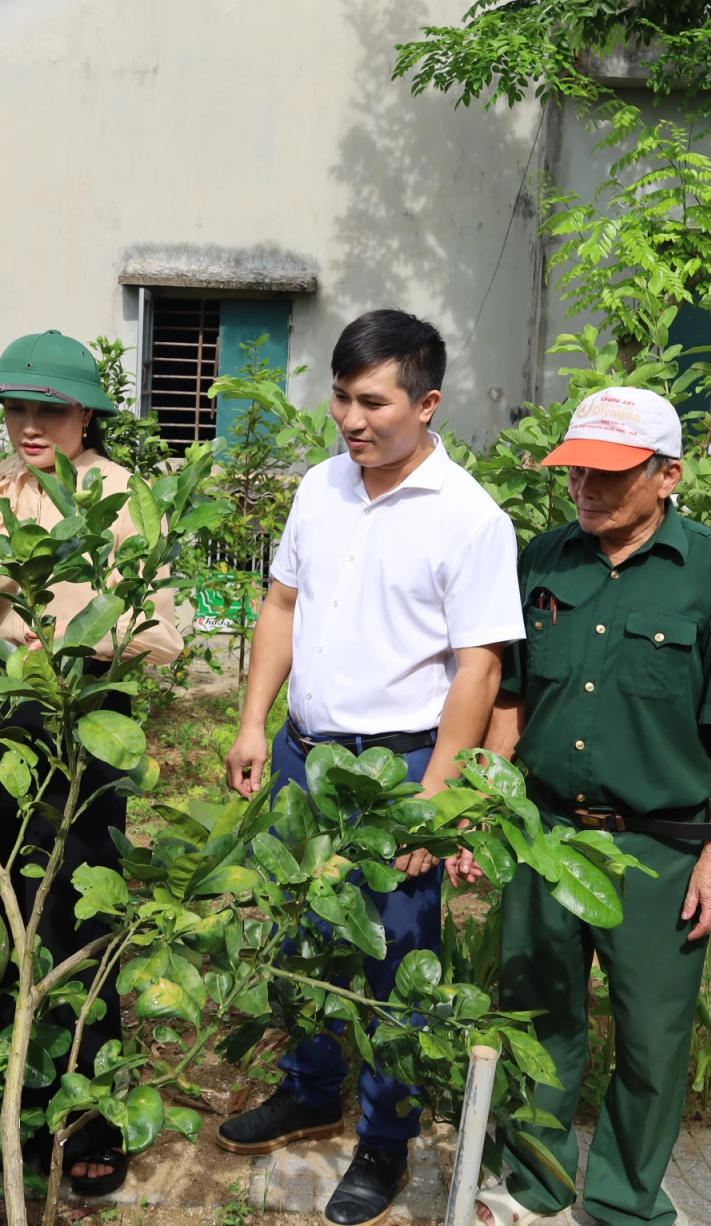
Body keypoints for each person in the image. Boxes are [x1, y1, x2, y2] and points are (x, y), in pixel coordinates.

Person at [218, 310, 524, 1226]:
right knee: (302, 932)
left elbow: (480, 667)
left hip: (400, 772)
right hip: (304, 757)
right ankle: (310, 1086)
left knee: (398, 957)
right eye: (342, 398)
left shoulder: (471, 519)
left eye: (374, 402)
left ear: (426, 404)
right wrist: (252, 722)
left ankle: (385, 1144)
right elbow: (281, 604)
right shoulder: (320, 487)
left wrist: (435, 804)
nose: (352, 420)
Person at [467, 387, 711, 1226]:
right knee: (539, 1015)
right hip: (546, 831)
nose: (586, 490)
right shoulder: (544, 560)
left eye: (610, 475)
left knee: (653, 1041)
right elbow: (511, 699)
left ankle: (626, 1204)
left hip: (660, 849)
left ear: (667, 475)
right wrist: (488, 809)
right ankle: (535, 1186)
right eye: (576, 473)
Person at [0, 329, 184, 1199]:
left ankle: (88, 1115)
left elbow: (162, 632)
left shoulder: (123, 497)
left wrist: (73, 645)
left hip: (82, 722)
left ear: (87, 413)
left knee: (78, 920)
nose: (31, 425)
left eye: (50, 408)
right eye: (17, 409)